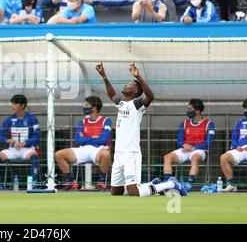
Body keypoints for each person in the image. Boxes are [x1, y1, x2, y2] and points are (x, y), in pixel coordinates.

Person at [96, 62, 187, 197]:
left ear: (135, 91)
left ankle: (171, 184)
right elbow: (112, 96)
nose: (125, 85)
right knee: (116, 193)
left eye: (129, 84)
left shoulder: (137, 103)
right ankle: (152, 185)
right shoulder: (122, 103)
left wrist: (138, 77)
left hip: (131, 153)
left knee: (134, 193)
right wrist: (104, 76)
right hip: (118, 154)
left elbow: (150, 96)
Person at [0, 95, 41, 190]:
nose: (12, 105)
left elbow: (37, 136)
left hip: (27, 149)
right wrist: (7, 140)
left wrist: (25, 143)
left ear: (22, 105)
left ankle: (34, 183)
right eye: (12, 103)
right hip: (12, 149)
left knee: (34, 157)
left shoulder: (32, 119)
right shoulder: (9, 119)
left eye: (15, 103)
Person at [55, 96, 111, 191]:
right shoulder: (83, 121)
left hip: (98, 149)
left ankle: (100, 183)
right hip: (83, 149)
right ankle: (71, 182)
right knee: (59, 154)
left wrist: (85, 138)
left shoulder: (106, 120)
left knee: (106, 154)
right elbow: (77, 140)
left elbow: (103, 139)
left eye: (86, 105)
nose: (84, 107)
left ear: (94, 107)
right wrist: (93, 137)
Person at [162, 99, 215, 192]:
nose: (188, 111)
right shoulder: (184, 123)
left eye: (190, 108)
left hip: (200, 150)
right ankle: (167, 184)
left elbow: (209, 142)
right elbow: (179, 141)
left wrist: (194, 147)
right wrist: (183, 145)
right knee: (167, 157)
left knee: (194, 158)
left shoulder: (209, 123)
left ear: (197, 110)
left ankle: (189, 184)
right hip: (185, 149)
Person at [220, 98, 247, 192]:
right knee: (223, 158)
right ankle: (232, 183)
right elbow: (234, 138)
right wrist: (237, 146)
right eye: (245, 108)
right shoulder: (240, 122)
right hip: (240, 149)